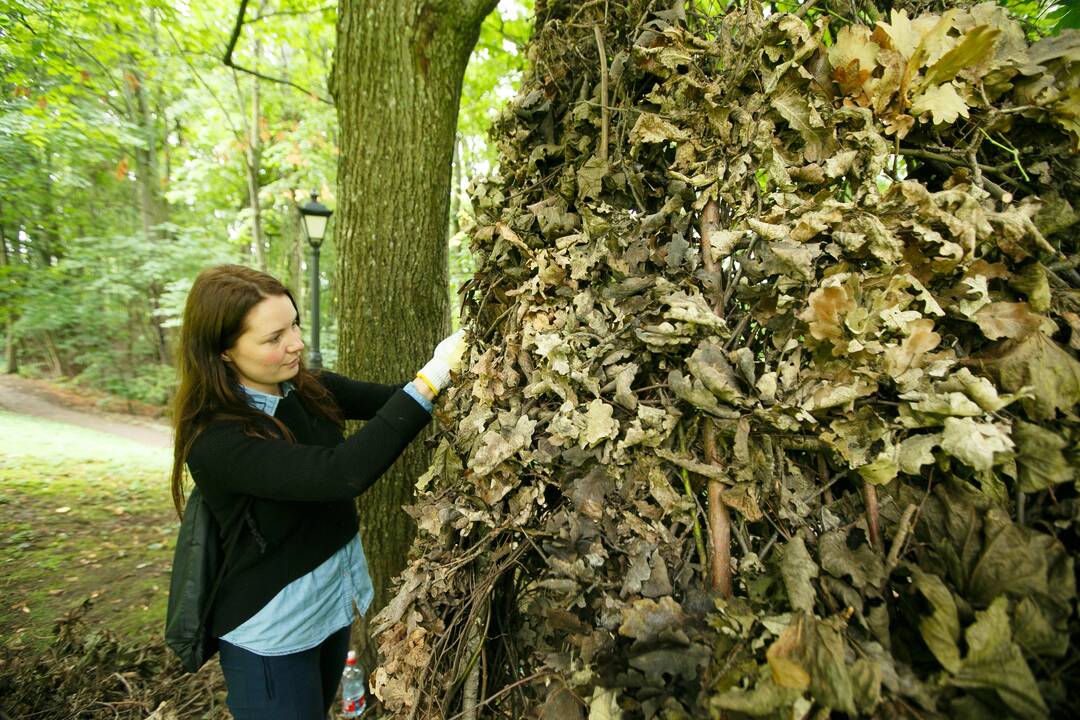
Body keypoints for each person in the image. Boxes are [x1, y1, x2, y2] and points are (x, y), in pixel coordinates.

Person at [168, 264, 464, 719]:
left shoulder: (309, 388)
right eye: (273, 338)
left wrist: (461, 362)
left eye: (295, 325)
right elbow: (342, 473)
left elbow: (395, 402)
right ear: (223, 351)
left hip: (331, 607)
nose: (296, 343)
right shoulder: (216, 440)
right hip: (272, 634)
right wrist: (433, 375)